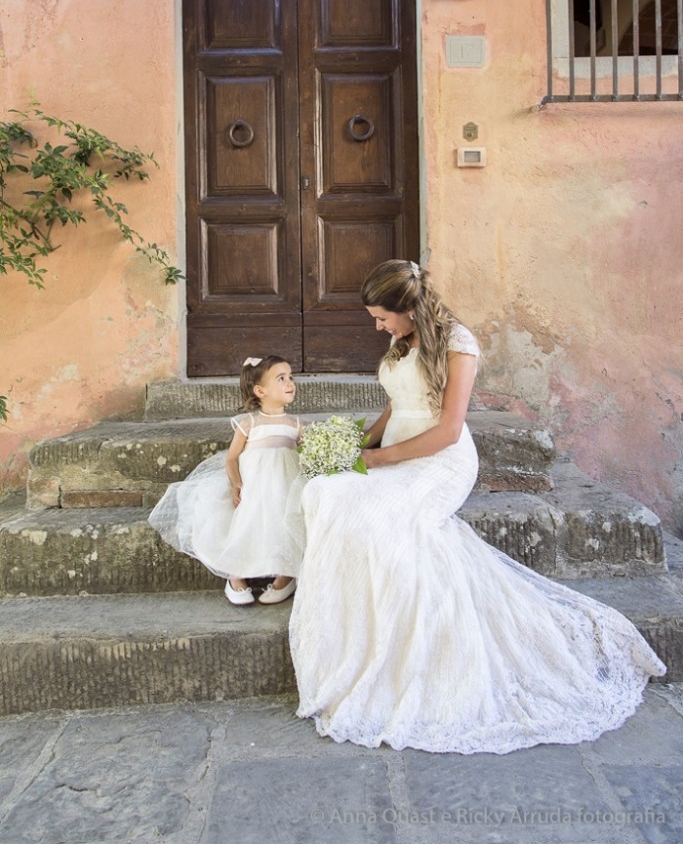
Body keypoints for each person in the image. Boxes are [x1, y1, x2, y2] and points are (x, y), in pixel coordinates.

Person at [287, 259, 666, 754]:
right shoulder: (403, 340)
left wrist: (373, 460)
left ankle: (405, 654)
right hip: (394, 451)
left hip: (439, 462)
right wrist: (355, 443)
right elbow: (398, 401)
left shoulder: (457, 342)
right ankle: (347, 637)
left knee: (373, 520)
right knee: (323, 492)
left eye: (382, 317)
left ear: (408, 307)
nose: (378, 326)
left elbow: (446, 430)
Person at [148, 356, 301, 606]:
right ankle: (235, 575)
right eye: (281, 378)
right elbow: (232, 458)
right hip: (255, 486)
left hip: (286, 484)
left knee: (287, 520)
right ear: (260, 391)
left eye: (291, 377)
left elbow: (305, 454)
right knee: (245, 521)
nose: (290, 383)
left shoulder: (295, 424)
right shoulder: (249, 423)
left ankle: (286, 575)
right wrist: (236, 483)